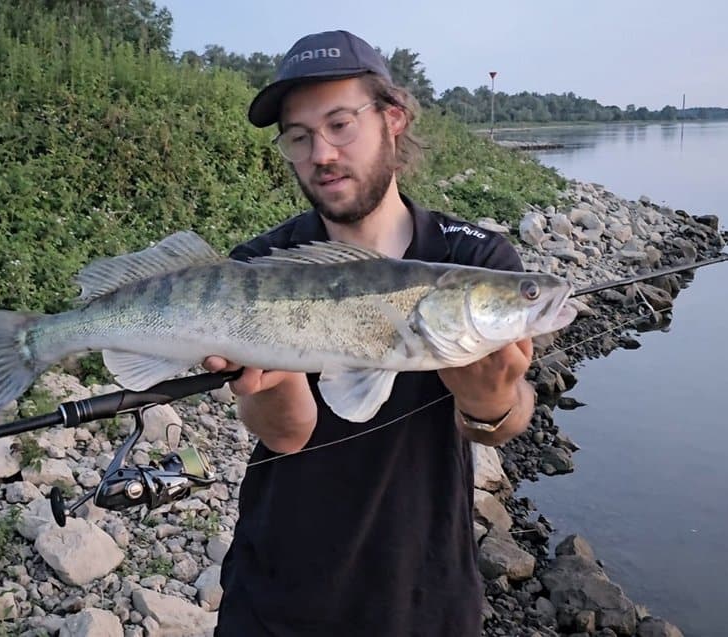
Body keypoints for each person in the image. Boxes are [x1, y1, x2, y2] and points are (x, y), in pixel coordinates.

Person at [202, 30, 536, 636]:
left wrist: (489, 403)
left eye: (340, 125)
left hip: (424, 597)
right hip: (274, 598)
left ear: (393, 119)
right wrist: (266, 377)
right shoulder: (262, 266)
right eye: (299, 138)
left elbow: (511, 420)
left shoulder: (475, 260)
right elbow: (287, 433)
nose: (321, 154)